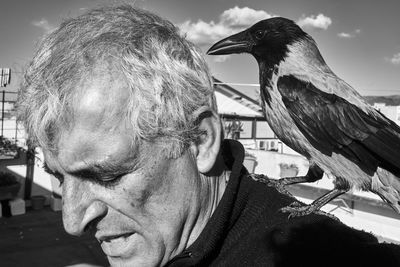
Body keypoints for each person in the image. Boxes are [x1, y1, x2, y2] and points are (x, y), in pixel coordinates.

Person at [17, 4, 400, 267]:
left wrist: (309, 211)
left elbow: (361, 157)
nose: (72, 222)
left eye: (109, 175)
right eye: (59, 178)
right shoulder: (281, 89)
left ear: (200, 140)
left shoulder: (302, 88)